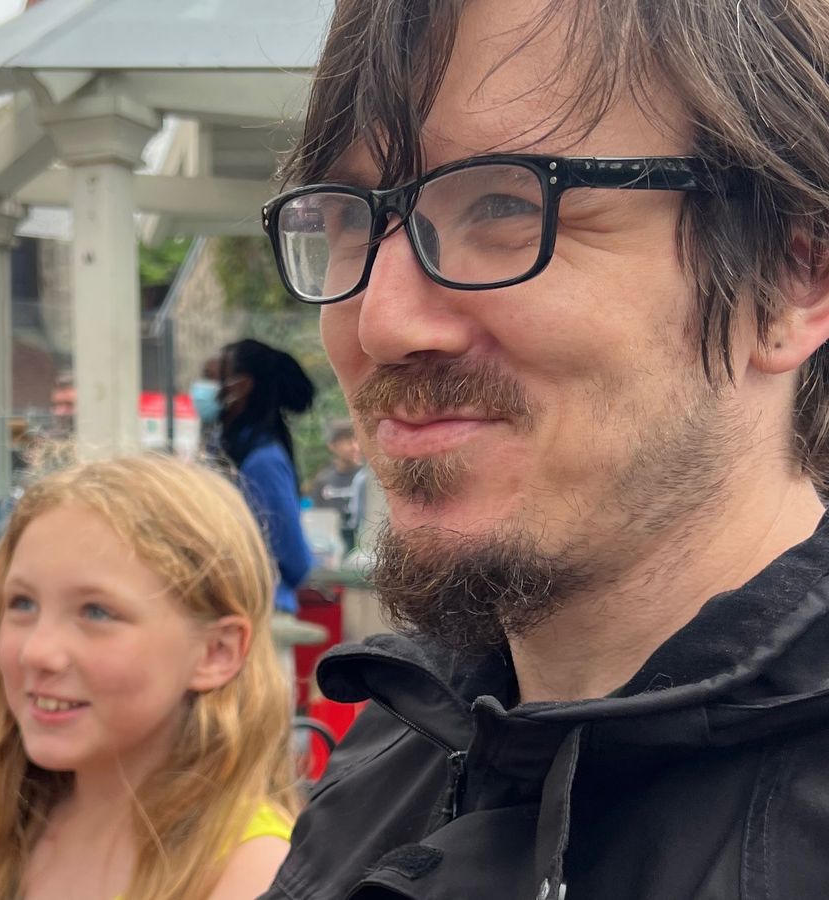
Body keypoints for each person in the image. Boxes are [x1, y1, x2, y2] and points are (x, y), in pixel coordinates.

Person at [258, 1, 829, 898]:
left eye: (504, 203)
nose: (381, 322)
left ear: (794, 276)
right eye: (353, 223)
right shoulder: (397, 738)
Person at [0, 454, 296, 899]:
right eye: (22, 603)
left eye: (96, 612)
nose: (37, 652)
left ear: (216, 652)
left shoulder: (252, 874)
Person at [214, 339, 316, 617]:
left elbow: (295, 559)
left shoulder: (263, 461)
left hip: (262, 613)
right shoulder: (230, 449)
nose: (205, 387)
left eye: (212, 377)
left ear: (242, 386)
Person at [308, 420, 362, 549]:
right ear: (332, 446)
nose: (354, 447)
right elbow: (319, 522)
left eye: (356, 440)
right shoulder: (323, 481)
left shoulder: (366, 479)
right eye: (348, 442)